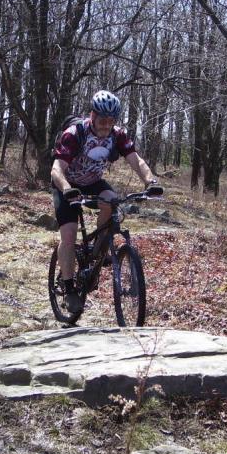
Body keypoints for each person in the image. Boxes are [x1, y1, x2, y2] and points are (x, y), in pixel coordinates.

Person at [50, 89, 162, 314]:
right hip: (66, 184)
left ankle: (99, 249)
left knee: (112, 203)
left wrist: (151, 182)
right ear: (92, 115)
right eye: (102, 120)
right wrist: (68, 189)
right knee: (69, 234)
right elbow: (56, 169)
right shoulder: (74, 134)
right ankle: (70, 288)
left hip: (93, 181)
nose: (106, 125)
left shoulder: (117, 135)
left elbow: (135, 160)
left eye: (111, 121)